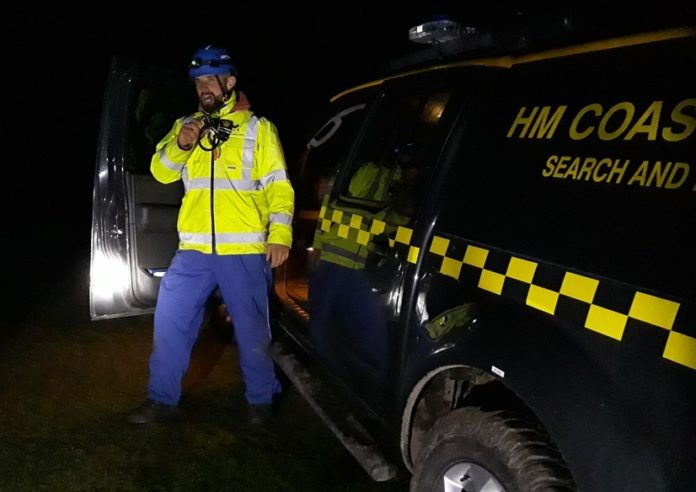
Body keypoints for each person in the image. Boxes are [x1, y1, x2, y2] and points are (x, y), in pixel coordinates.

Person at [128, 45, 294, 426]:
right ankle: (160, 400)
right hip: (194, 250)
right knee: (169, 322)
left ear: (229, 82)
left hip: (244, 249)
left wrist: (280, 234)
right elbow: (162, 172)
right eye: (198, 80)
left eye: (210, 79)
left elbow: (279, 187)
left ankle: (261, 403)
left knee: (252, 331)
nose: (203, 86)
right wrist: (183, 143)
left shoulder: (258, 129)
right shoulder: (184, 126)